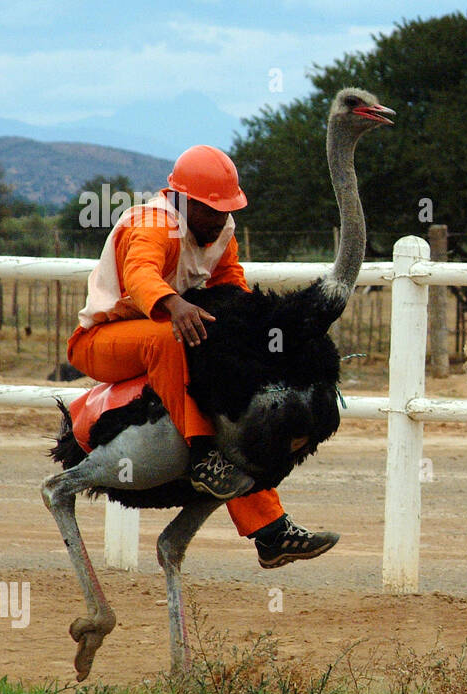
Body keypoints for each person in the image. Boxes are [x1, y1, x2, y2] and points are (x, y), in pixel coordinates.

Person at [67, 144, 339, 569]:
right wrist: (174, 305)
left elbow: (230, 281)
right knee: (171, 337)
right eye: (211, 209)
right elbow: (141, 274)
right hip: (104, 341)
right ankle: (201, 454)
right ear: (181, 201)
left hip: (166, 330)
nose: (220, 218)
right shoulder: (152, 224)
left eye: (226, 209)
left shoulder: (221, 229)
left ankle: (270, 531)